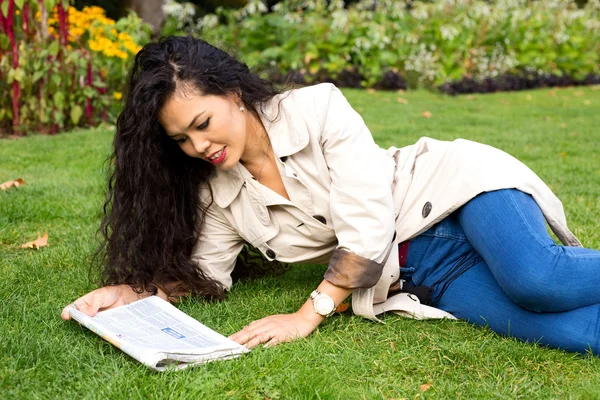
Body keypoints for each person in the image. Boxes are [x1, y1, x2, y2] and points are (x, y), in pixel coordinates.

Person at [61, 36, 600, 354]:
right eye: (181, 140)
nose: (199, 145)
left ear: (231, 94)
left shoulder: (317, 107)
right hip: (421, 273)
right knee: (579, 332)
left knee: (537, 280)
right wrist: (130, 293)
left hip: (455, 195)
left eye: (202, 123)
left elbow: (368, 221)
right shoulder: (219, 194)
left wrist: (309, 313)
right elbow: (209, 273)